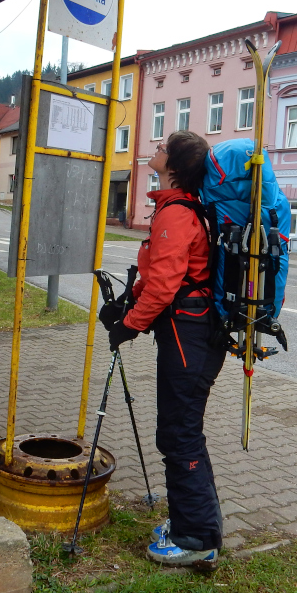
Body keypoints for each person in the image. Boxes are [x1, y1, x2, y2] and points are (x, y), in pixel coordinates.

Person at [101, 130, 224, 570]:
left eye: (162, 147)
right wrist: (128, 304)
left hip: (188, 336)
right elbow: (156, 275)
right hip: (188, 333)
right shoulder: (177, 210)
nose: (154, 149)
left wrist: (129, 326)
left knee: (178, 434)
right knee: (183, 430)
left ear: (173, 165)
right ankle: (199, 525)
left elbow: (167, 283)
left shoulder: (176, 215)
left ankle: (195, 539)